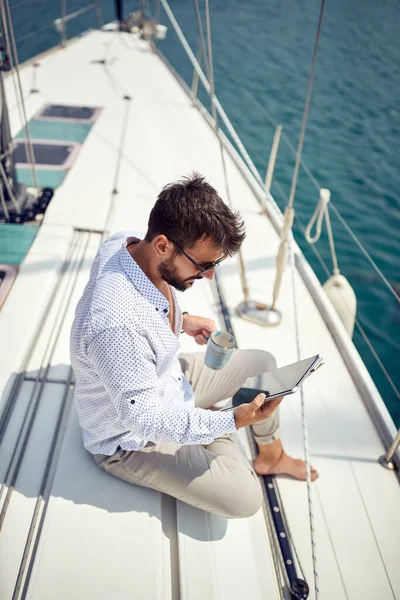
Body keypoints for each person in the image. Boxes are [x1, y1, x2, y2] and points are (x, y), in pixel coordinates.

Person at [70, 173, 318, 520]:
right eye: (204, 265)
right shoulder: (117, 326)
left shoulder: (121, 245)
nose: (210, 276)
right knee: (245, 500)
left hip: (168, 380)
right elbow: (144, 420)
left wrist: (181, 319)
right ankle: (210, 422)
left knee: (263, 363)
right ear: (162, 245)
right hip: (129, 440)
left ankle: (270, 456)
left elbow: (139, 306)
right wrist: (228, 421)